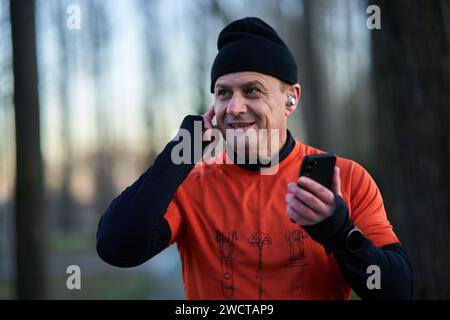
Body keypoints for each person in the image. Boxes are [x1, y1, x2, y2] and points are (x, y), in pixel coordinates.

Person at [96, 17, 413, 300]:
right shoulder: (190, 184)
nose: (233, 108)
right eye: (223, 93)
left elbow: (398, 291)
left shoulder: (344, 178)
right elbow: (117, 247)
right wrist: (178, 154)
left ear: (291, 99)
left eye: (252, 91)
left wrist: (341, 233)